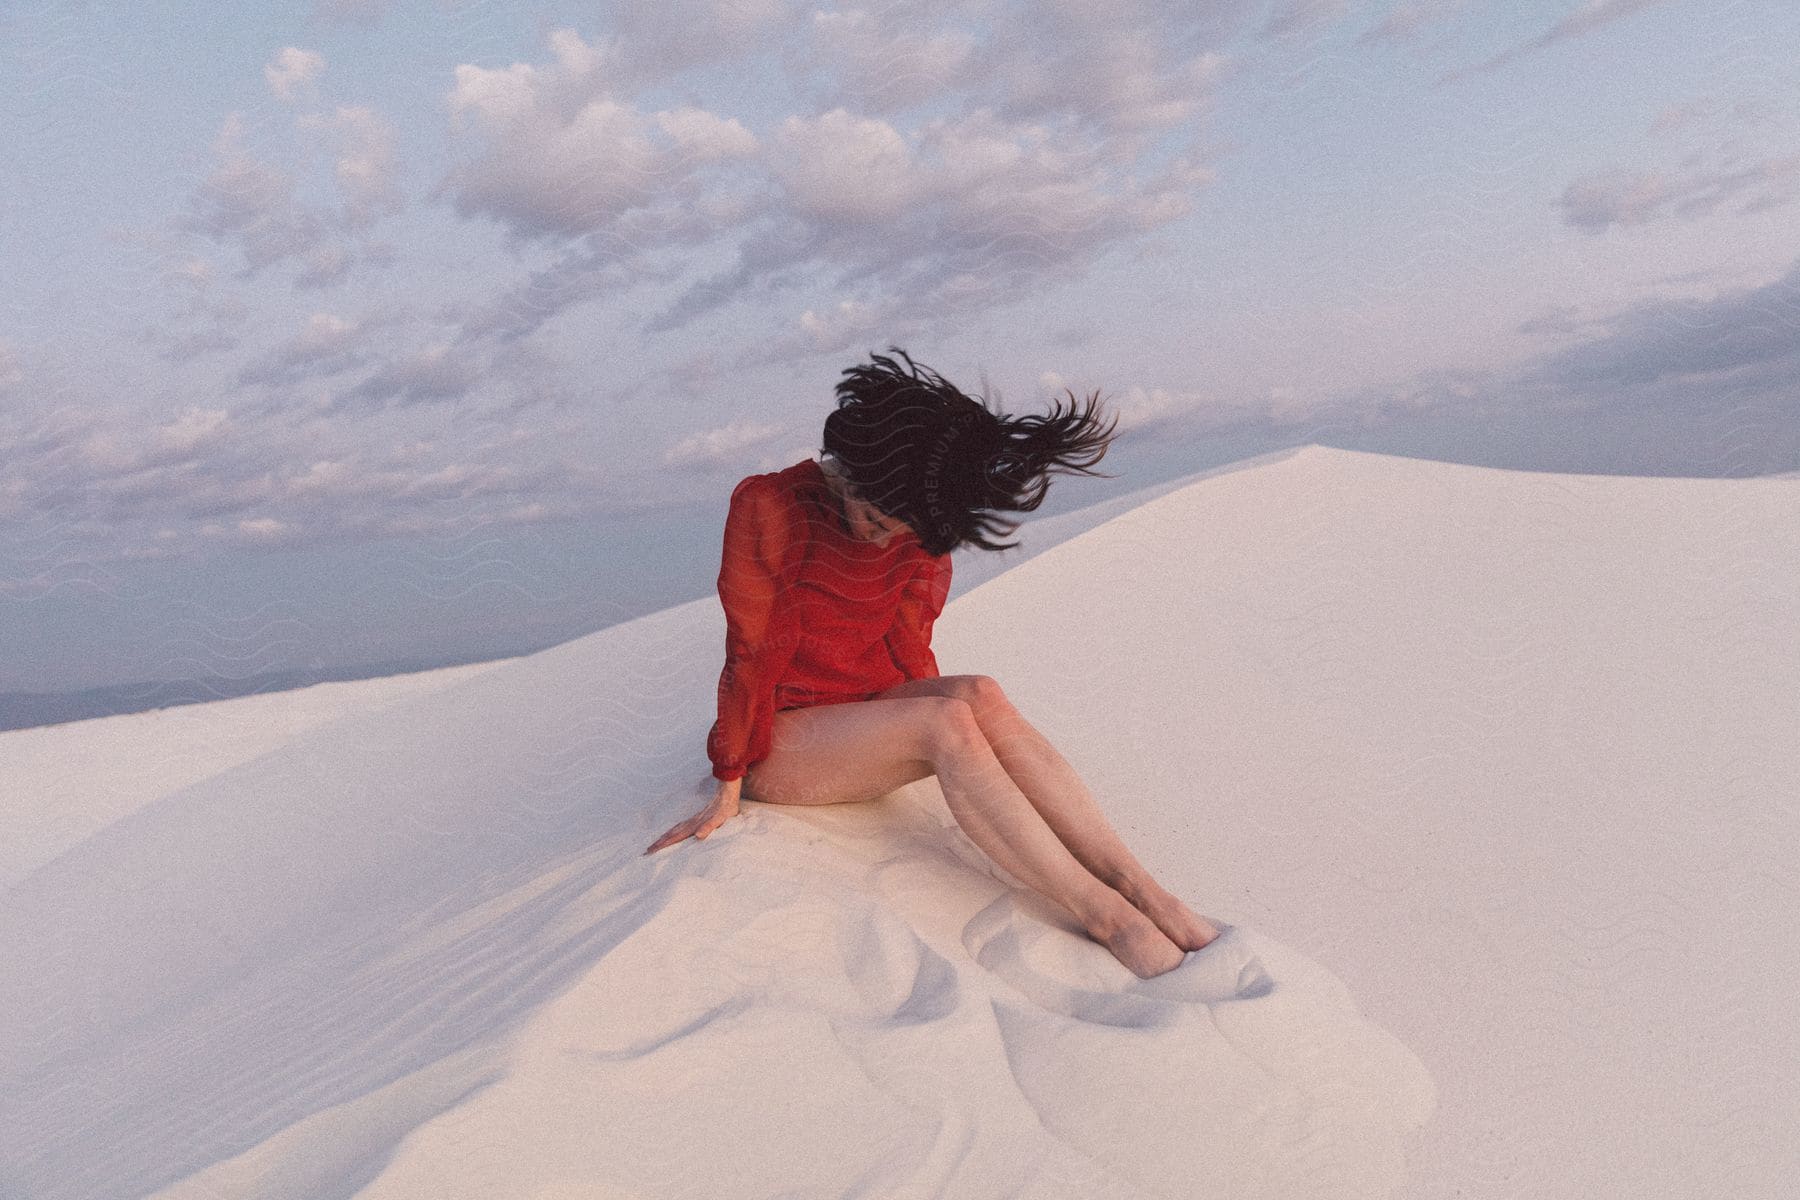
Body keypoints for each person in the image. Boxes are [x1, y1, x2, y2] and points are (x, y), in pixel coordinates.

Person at [645, 348, 1219, 978]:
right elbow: (750, 649)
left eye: (899, 530)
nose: (882, 538)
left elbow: (909, 632)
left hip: (862, 713)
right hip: (780, 738)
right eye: (872, 518)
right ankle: (1107, 916)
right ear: (849, 471)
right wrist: (729, 778)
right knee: (941, 725)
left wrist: (962, 740)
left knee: (978, 693)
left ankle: (1139, 886)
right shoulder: (770, 506)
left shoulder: (921, 516)